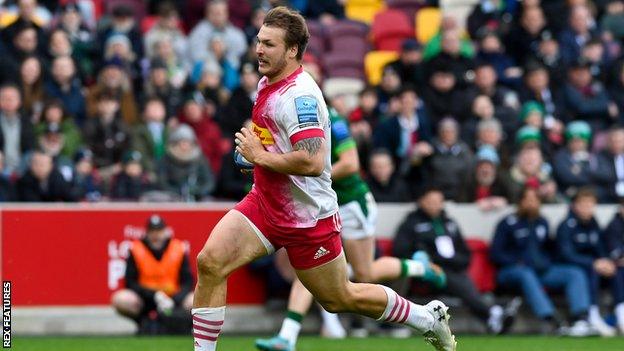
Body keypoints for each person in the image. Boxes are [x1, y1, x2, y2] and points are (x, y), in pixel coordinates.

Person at [191, 7, 456, 351]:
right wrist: (254, 157)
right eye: (259, 42)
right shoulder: (266, 81)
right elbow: (272, 142)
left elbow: (314, 162)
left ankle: (424, 317)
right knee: (210, 262)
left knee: (340, 297)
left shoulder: (300, 97)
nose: (259, 50)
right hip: (265, 204)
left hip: (308, 216)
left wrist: (260, 156)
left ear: (292, 50)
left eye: (269, 44)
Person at [255, 104, 446, 350]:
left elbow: (351, 163)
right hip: (322, 206)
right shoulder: (288, 120)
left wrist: (312, 177)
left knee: (365, 273)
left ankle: (419, 266)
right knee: (308, 267)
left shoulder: (333, 119)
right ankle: (287, 336)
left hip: (351, 204)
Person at [393, 186, 517, 334]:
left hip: (453, 270)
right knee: (455, 278)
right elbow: (400, 250)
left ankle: (491, 316)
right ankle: (492, 312)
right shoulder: (411, 224)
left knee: (458, 278)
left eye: (438, 201)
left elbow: (465, 253)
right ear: (421, 202)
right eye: (430, 201)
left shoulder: (450, 223)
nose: (434, 205)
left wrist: (454, 261)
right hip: (426, 274)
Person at [490, 187, 594, 336]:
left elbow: (548, 248)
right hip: (512, 271)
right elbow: (496, 253)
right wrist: (515, 261)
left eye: (535, 200)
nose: (532, 203)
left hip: (540, 271)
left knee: (574, 273)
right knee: (526, 274)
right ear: (520, 202)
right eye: (528, 199)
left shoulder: (542, 222)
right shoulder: (507, 223)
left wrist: (548, 261)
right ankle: (552, 319)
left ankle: (581, 319)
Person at [111, 214, 194, 332]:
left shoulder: (177, 248)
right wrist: (154, 295)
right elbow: (130, 283)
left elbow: (188, 281)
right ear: (147, 232)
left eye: (159, 231)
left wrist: (174, 299)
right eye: (152, 231)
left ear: (165, 231)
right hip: (146, 299)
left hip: (173, 299)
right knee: (121, 299)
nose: (156, 235)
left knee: (196, 300)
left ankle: (183, 324)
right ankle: (142, 322)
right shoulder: (136, 249)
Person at [555, 187, 620, 336]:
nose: (587, 208)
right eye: (583, 204)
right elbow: (566, 254)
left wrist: (607, 262)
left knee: (617, 270)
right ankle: (592, 314)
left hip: (594, 265)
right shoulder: (566, 226)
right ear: (575, 205)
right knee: (589, 271)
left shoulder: (594, 224)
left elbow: (601, 248)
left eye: (590, 204)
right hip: (573, 267)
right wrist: (593, 263)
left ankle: (620, 313)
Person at [604, 201, 624, 333]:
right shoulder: (614, 225)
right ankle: (621, 315)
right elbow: (616, 253)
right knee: (618, 271)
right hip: (615, 268)